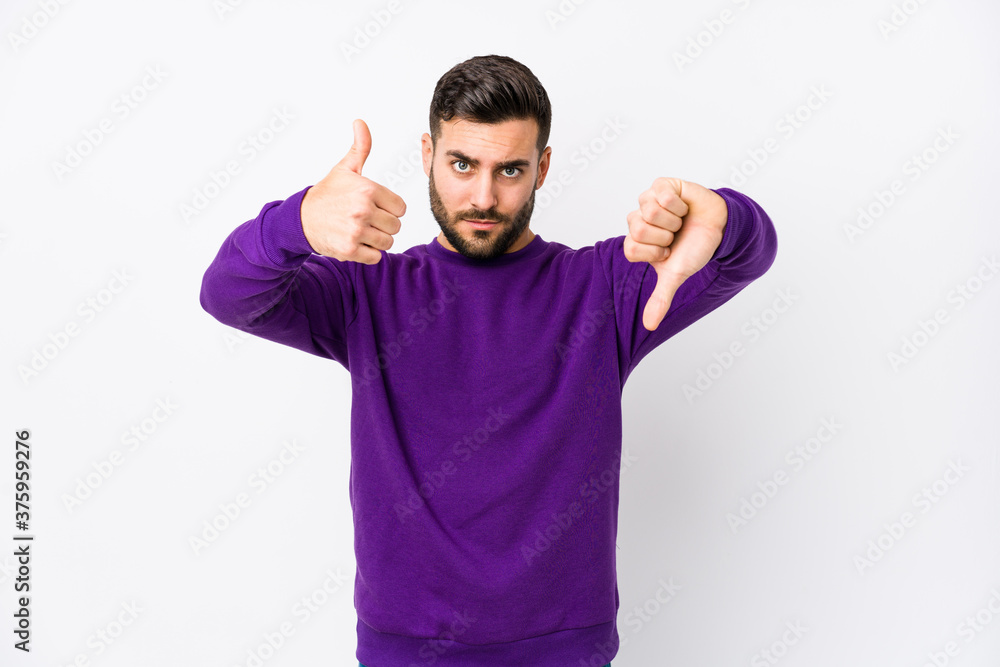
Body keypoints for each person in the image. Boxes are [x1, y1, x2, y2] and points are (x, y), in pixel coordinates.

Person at [200, 54, 777, 667]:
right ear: (428, 155)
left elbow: (745, 254)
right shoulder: (365, 289)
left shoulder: (604, 287)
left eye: (510, 170)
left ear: (542, 168)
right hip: (407, 650)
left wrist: (727, 217)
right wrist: (294, 222)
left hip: (564, 650)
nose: (483, 197)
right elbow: (227, 293)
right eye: (462, 164)